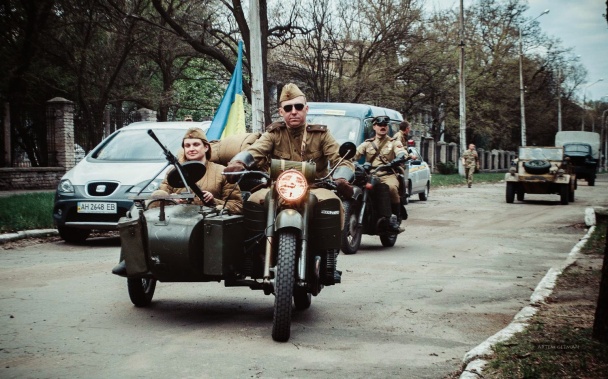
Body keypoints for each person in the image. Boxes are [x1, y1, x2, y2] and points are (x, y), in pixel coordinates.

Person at [223, 83, 354, 283]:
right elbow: (256, 150)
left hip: (314, 187)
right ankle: (253, 256)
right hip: (277, 188)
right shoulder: (274, 133)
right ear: (281, 112)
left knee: (332, 204)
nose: (294, 112)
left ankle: (329, 258)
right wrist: (239, 162)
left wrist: (342, 177)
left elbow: (340, 158)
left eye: (298, 107)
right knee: (252, 202)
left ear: (306, 108)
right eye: (288, 108)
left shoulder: (321, 134)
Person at [112, 127, 242, 276]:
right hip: (174, 223)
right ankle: (134, 258)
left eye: (196, 144)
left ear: (206, 147)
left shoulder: (222, 172)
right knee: (156, 195)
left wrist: (213, 201)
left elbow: (237, 205)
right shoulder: (173, 172)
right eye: (187, 146)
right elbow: (161, 197)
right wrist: (172, 201)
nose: (191, 149)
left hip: (206, 228)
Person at [354, 116, 409, 232]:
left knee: (392, 189)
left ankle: (394, 219)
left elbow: (402, 152)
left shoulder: (394, 142)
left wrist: (398, 158)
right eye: (379, 125)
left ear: (387, 127)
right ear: (374, 127)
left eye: (385, 125)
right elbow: (354, 154)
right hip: (370, 175)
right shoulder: (367, 144)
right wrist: (347, 157)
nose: (382, 127)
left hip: (387, 174)